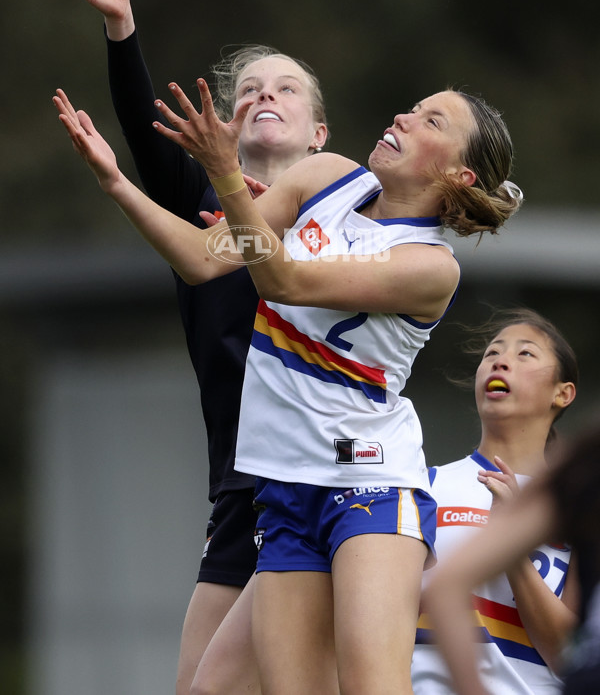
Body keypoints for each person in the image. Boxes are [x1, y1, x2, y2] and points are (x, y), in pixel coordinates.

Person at [53, 71, 521, 694]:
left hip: (371, 484)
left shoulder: (431, 267)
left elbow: (281, 280)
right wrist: (117, 183)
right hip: (287, 486)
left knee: (369, 686)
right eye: (412, 106)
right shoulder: (325, 175)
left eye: (431, 121)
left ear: (459, 178)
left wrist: (226, 176)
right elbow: (202, 259)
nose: (404, 118)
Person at [58, 0, 329, 695]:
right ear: (225, 126)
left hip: (327, 481)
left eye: (285, 88)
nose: (262, 95)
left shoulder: (347, 219)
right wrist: (121, 25)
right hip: (241, 486)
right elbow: (146, 134)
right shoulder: (201, 206)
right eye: (248, 90)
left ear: (321, 135)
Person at [412, 308, 579, 695]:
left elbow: (570, 656)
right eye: (492, 353)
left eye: (525, 354)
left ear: (563, 393)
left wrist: (510, 545)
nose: (500, 361)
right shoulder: (421, 485)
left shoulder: (578, 507)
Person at [424, 418, 600, 695]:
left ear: (564, 393)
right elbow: (445, 587)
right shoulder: (581, 478)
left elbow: (564, 649)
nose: (500, 370)